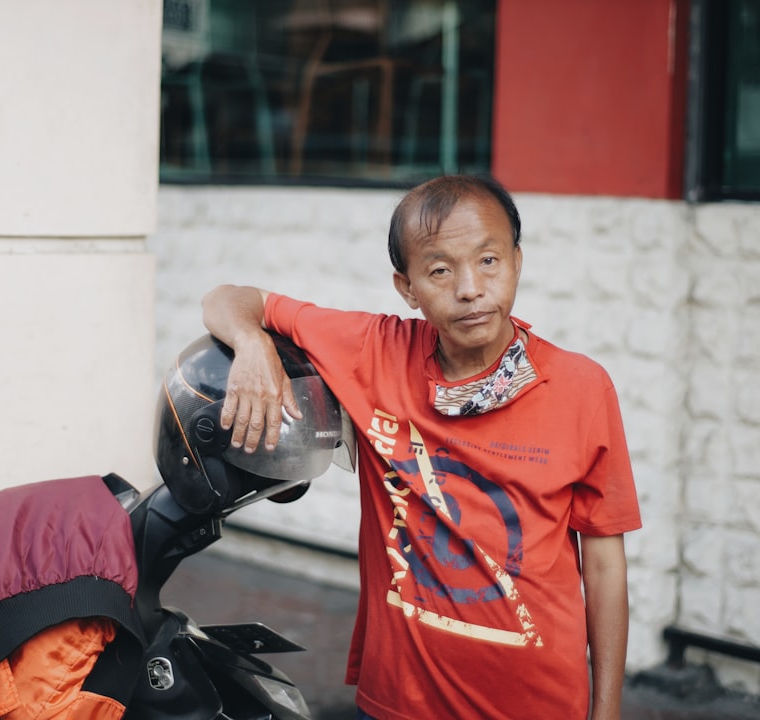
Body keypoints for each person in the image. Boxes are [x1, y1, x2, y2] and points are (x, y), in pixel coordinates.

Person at [201, 174, 642, 720]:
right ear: (406, 287)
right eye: (439, 270)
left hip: (541, 702)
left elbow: (603, 566)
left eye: (488, 261)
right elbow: (230, 299)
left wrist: (608, 712)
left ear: (517, 262)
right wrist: (251, 343)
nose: (470, 288)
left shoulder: (581, 387)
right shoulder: (377, 353)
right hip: (399, 703)